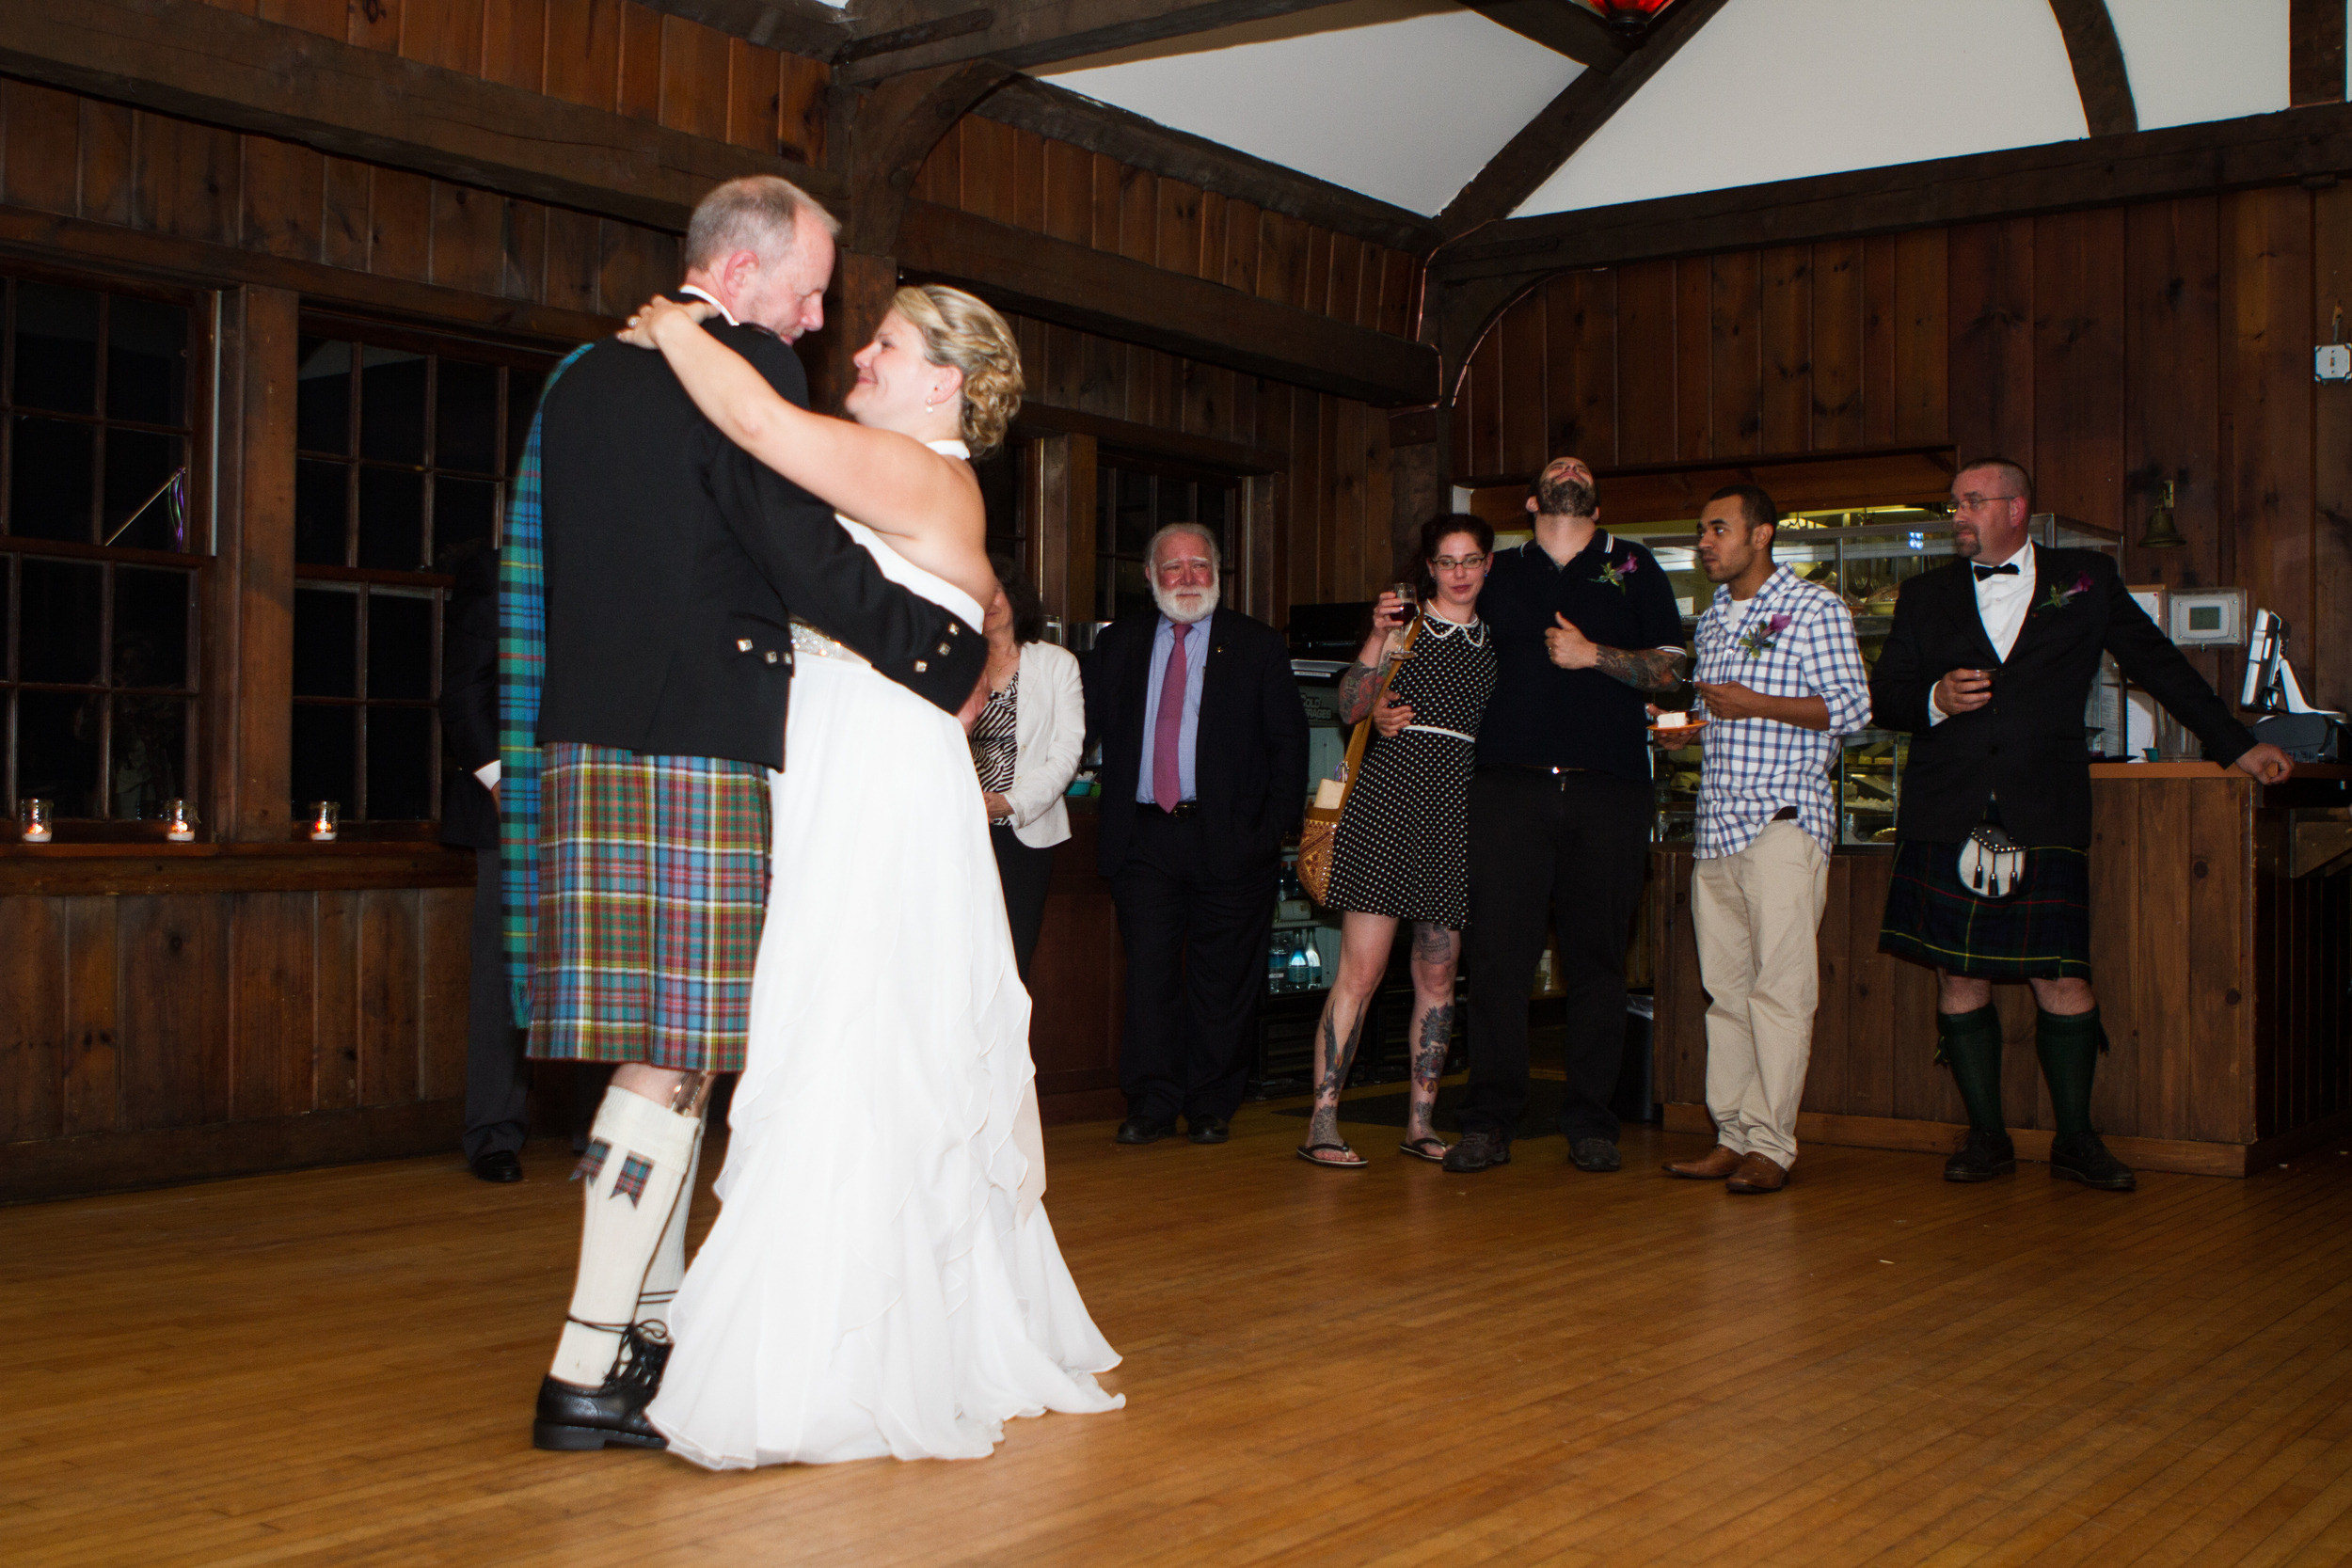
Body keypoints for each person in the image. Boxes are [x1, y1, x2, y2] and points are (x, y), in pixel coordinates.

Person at [508, 176, 991, 1454]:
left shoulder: (580, 380)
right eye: (814, 288)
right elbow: (802, 555)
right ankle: (585, 1364)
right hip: (699, 743)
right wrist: (946, 654)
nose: (824, 316)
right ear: (746, 270)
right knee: (674, 1055)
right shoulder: (735, 380)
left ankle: (646, 1320)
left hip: (590, 734)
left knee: (671, 1050)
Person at [620, 280, 1125, 1466]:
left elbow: (759, 428)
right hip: (853, 757)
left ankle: (832, 1357)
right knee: (848, 1029)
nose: (861, 352)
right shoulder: (921, 480)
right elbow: (980, 616)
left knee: (851, 1033)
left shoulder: (924, 473)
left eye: (886, 344)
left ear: (944, 381)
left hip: (874, 779)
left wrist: (677, 326)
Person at [1871, 457, 2293, 1192]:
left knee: (2061, 975)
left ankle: (2075, 1139)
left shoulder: (2085, 580)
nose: (1958, 515)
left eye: (1972, 501)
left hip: (2043, 804)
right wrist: (1935, 696)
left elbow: (2159, 665)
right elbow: (1887, 696)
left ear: (2016, 508)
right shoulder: (1924, 594)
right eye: (1954, 504)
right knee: (1958, 973)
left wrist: (2238, 744)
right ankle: (1986, 1138)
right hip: (1947, 805)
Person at [1447, 455, 1687, 1175]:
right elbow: (1438, 644)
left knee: (1599, 961)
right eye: (1557, 464)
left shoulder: (1637, 566)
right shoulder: (1497, 573)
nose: (1570, 467)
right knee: (1496, 961)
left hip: (1608, 789)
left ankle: (1591, 1120)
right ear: (1531, 500)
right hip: (1505, 789)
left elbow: (1675, 671)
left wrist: (1597, 656)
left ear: (1597, 504)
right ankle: (1489, 1120)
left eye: (1580, 466)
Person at [1658, 485, 1868, 1196]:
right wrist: (1693, 727)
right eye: (1700, 529)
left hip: (1783, 821)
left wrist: (1752, 703)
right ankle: (1733, 1134)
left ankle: (1773, 1144)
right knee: (1726, 994)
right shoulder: (1714, 617)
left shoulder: (1816, 607)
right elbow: (1718, 712)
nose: (1705, 541)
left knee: (1780, 992)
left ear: (1763, 534)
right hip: (1714, 826)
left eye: (1719, 527)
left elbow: (1852, 708)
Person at [1087, 523, 1310, 1148]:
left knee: (1224, 981)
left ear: (1219, 571)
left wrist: (1270, 831)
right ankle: (1153, 1102)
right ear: (1150, 577)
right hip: (1144, 840)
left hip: (1232, 839)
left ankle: (1212, 1102)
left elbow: (1288, 745)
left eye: (1199, 565)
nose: (1187, 578)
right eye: (1173, 567)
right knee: (1150, 977)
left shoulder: (1257, 645)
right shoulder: (1121, 644)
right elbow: (1084, 725)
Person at [1295, 515, 1497, 1168]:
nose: (1460, 572)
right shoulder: (1404, 623)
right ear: (1429, 568)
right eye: (1447, 561)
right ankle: (1321, 1123)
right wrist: (1376, 641)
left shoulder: (1497, 641)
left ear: (1488, 565)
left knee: (1438, 974)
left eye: (1471, 560)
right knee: (1362, 970)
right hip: (1386, 808)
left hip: (1456, 814)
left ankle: (1420, 1124)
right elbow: (1348, 705)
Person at [437, 540, 529, 1183]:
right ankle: (492, 1135)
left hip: (590, 799)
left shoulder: (609, 565)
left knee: (594, 969)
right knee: (501, 974)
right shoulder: (495, 571)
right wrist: (501, 782)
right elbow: (463, 691)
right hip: (509, 805)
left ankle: (595, 1129)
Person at [972, 565, 1086, 978]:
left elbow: (1066, 753)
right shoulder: (956, 660)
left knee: (1012, 962)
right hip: (961, 828)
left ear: (1016, 598)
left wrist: (1010, 803)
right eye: (977, 592)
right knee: (961, 960)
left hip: (1024, 834)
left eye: (996, 592)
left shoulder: (1057, 664)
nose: (988, 602)